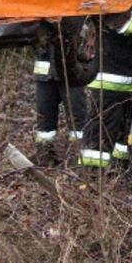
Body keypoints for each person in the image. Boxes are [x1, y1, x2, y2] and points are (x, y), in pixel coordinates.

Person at [78, 8, 132, 172]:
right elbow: (126, 24)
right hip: (108, 83)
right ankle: (92, 178)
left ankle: (125, 173)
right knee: (99, 138)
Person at [32, 23, 89, 167]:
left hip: (70, 73)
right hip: (45, 73)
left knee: (78, 116)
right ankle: (45, 158)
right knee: (44, 119)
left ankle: (79, 159)